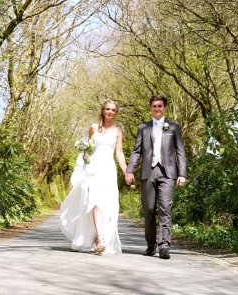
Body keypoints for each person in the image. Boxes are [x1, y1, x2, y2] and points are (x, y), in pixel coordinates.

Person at [59, 100, 127, 255]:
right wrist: (84, 156)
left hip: (108, 170)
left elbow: (119, 152)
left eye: (113, 110)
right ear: (103, 110)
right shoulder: (93, 128)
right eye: (107, 109)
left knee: (107, 203)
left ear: (116, 113)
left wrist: (126, 171)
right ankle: (100, 238)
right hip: (93, 169)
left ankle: (101, 237)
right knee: (94, 201)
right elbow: (88, 148)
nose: (110, 112)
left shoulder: (118, 131)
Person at [125, 95, 187, 259]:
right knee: (149, 209)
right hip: (148, 172)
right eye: (154, 106)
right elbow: (136, 151)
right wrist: (129, 170)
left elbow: (180, 151)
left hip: (168, 174)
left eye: (160, 106)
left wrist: (182, 173)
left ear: (165, 107)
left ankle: (164, 246)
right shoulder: (143, 128)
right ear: (150, 108)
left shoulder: (174, 127)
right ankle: (151, 244)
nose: (157, 108)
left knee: (165, 209)